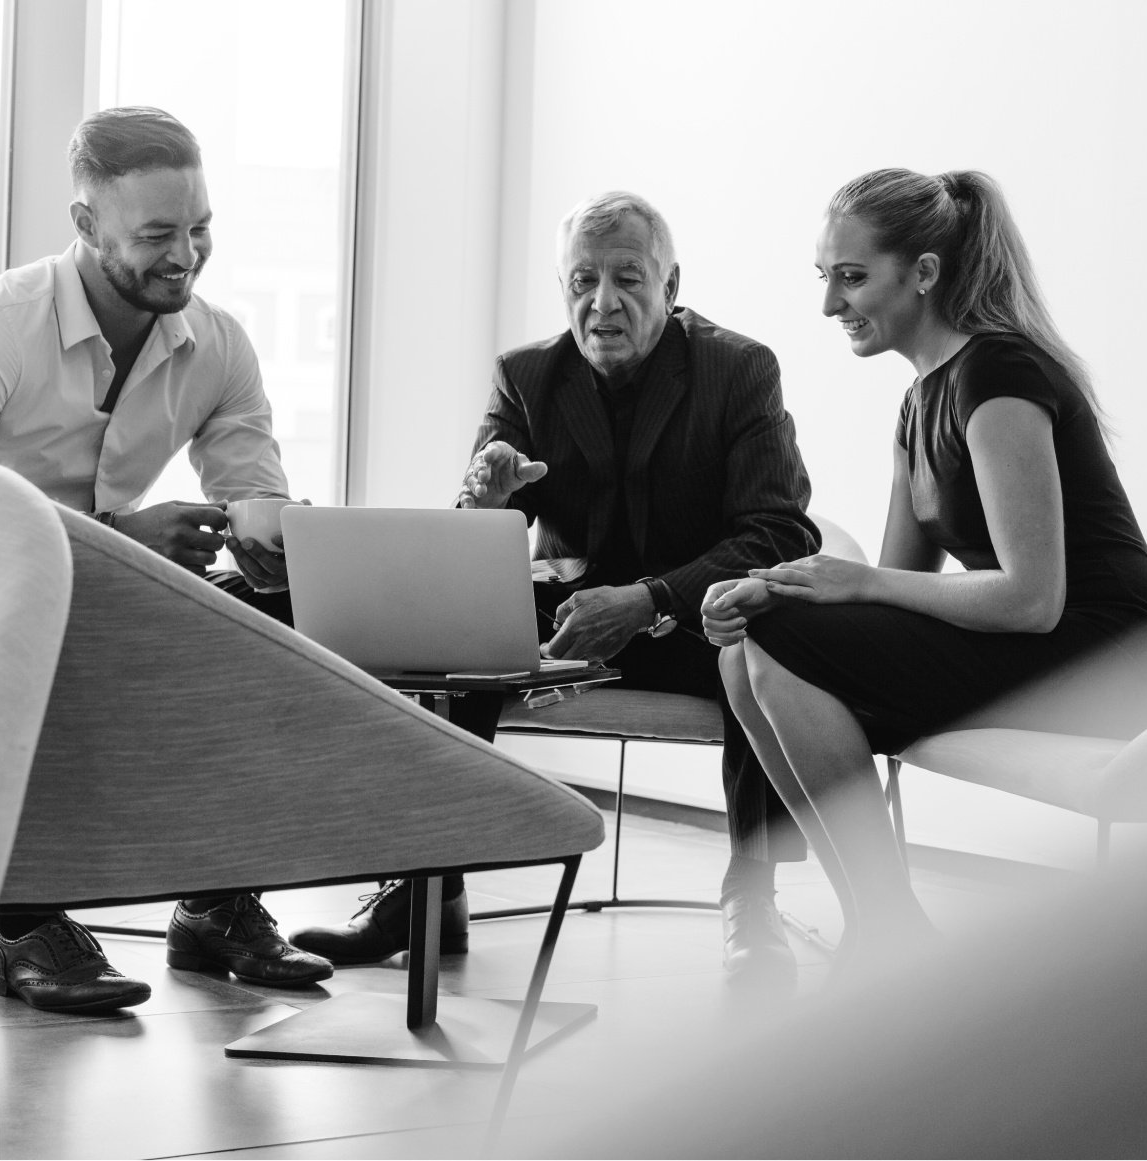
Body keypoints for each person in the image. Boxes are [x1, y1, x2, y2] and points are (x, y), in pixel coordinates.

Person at [289, 191, 821, 991]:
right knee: (442, 629)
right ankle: (428, 886)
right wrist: (488, 502)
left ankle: (752, 891)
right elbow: (466, 548)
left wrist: (648, 599)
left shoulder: (739, 369)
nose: (601, 303)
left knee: (761, 627)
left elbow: (779, 532)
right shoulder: (529, 376)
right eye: (582, 280)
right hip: (567, 624)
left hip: (689, 622)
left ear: (671, 288)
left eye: (627, 279)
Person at [0, 106, 332, 1013]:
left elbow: (258, 482)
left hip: (93, 587)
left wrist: (273, 544)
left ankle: (215, 902)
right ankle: (20, 919)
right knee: (17, 636)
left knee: (273, 629)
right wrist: (127, 544)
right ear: (88, 226)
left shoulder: (217, 344)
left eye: (200, 228)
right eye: (158, 234)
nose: (186, 254)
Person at [704, 168, 1147, 965]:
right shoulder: (920, 400)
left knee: (781, 638)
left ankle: (891, 936)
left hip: (1102, 654)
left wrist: (848, 587)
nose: (830, 306)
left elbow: (1034, 598)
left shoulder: (999, 378)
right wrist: (770, 589)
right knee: (743, 647)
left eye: (851, 278)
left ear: (923, 273)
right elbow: (890, 594)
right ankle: (881, 923)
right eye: (825, 278)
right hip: (1031, 643)